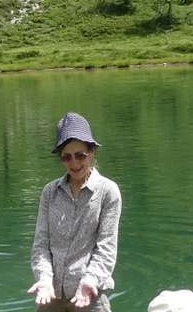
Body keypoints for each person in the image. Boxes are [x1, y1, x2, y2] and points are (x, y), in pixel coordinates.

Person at [27, 112, 122, 312]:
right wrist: (44, 278)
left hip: (90, 295)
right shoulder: (50, 192)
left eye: (80, 155)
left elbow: (106, 248)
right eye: (66, 157)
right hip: (50, 295)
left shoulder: (108, 191)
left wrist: (90, 281)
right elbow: (41, 245)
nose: (74, 163)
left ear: (92, 152)